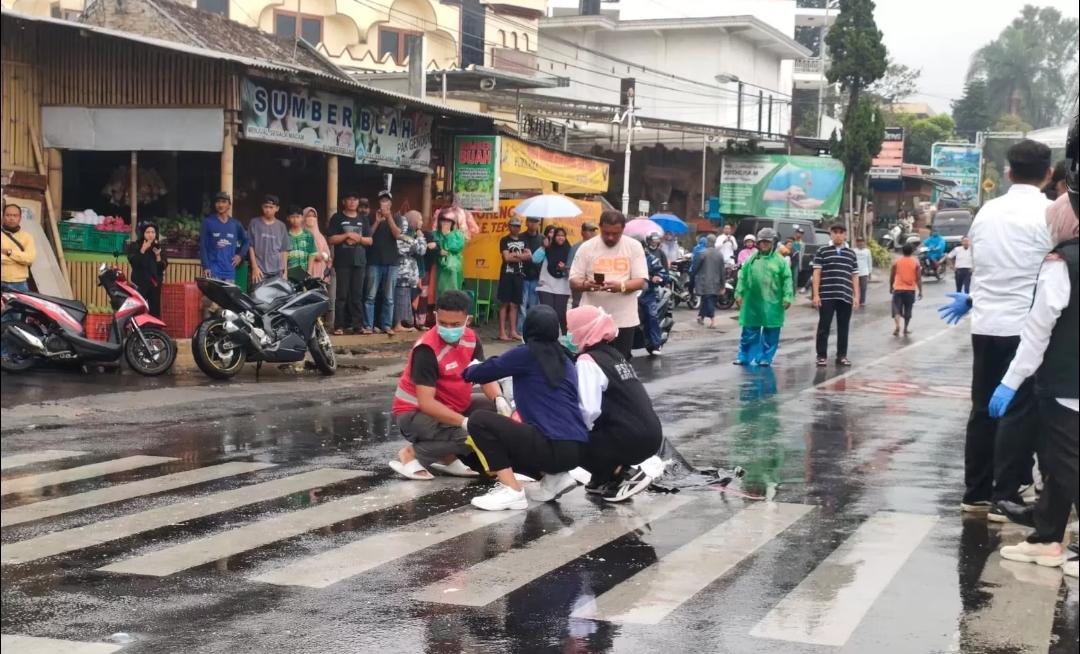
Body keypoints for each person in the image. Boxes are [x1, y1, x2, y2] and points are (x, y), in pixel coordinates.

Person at [950, 139, 1054, 518]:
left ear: (1008, 172)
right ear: (1047, 174)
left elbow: (980, 263)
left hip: (986, 324)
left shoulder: (986, 212)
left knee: (982, 408)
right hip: (1028, 327)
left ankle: (975, 492)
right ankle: (1005, 494)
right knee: (1019, 411)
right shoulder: (1050, 212)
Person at [990, 191, 1078, 578]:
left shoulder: (1062, 262)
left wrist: (1010, 381)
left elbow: (1038, 330)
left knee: (1067, 462)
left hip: (1065, 381)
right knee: (1060, 466)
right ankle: (1046, 537)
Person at [462, 305, 590, 510]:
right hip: (576, 450)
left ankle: (511, 490)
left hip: (551, 446)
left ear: (528, 329)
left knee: (479, 421)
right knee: (520, 427)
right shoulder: (566, 358)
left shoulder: (527, 354)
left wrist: (468, 369)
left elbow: (485, 371)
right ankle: (555, 479)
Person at [390, 290, 504, 481]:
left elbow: (483, 375)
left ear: (468, 320)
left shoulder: (471, 339)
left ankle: (446, 456)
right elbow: (426, 403)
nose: (448, 329)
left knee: (497, 414)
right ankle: (413, 454)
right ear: (435, 316)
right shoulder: (426, 349)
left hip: (451, 405)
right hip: (414, 414)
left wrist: (499, 398)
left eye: (455, 324)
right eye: (443, 323)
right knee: (477, 434)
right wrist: (464, 422)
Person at [566, 305, 662, 502]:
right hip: (651, 435)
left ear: (583, 330)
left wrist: (576, 436)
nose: (568, 334)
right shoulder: (615, 355)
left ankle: (622, 473)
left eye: (570, 329)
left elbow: (587, 409)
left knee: (567, 438)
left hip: (630, 439)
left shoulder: (588, 360)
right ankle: (603, 477)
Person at [568, 210, 648, 359]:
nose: (610, 237)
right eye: (606, 233)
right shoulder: (587, 247)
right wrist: (587, 284)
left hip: (624, 320)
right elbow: (573, 280)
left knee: (620, 364)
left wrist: (621, 286)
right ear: (600, 227)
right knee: (591, 363)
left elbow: (641, 281)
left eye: (615, 234)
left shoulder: (634, 246)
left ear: (623, 229)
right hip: (592, 321)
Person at [734, 227, 792, 367]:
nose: (764, 244)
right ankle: (745, 356)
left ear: (773, 243)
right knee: (749, 330)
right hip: (752, 301)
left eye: (767, 242)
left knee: (771, 331)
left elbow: (787, 279)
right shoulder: (752, 259)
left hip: (773, 302)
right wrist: (738, 293)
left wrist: (787, 296)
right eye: (762, 242)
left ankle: (765, 357)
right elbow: (743, 276)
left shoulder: (780, 261)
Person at [812, 223, 860, 367]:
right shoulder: (822, 251)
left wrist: (856, 296)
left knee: (843, 327)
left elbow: (855, 275)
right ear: (831, 234)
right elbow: (817, 273)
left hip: (845, 295)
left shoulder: (851, 253)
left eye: (841, 232)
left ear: (845, 235)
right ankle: (821, 355)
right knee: (824, 326)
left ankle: (842, 356)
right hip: (827, 295)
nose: (838, 235)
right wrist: (815, 295)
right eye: (835, 232)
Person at [327, 192, 373, 335]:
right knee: (342, 295)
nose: (352, 202)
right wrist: (346, 235)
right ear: (344, 201)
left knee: (357, 295)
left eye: (355, 199)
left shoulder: (363, 219)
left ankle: (358, 325)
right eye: (349, 199)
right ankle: (339, 326)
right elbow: (331, 239)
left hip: (359, 262)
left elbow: (370, 240)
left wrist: (358, 238)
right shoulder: (337, 218)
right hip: (342, 262)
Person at [364, 190, 403, 335]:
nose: (384, 203)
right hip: (374, 261)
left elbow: (398, 234)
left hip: (392, 262)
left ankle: (387, 325)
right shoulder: (369, 216)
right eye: (382, 201)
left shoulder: (397, 217)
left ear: (391, 203)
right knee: (370, 296)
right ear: (378, 203)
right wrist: (377, 221)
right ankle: (368, 325)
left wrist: (389, 218)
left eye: (387, 201)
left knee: (389, 297)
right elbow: (367, 236)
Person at [198, 192, 248, 283]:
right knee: (213, 297)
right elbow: (203, 246)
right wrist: (206, 266)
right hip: (213, 271)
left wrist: (240, 256)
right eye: (218, 202)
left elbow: (246, 241)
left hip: (230, 271)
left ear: (229, 205)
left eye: (224, 202)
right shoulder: (208, 222)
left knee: (227, 297)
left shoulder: (235, 224)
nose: (220, 205)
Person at [393, 210, 427, 332]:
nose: (421, 222)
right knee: (401, 296)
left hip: (407, 271)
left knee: (405, 295)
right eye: (420, 219)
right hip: (403, 271)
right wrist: (420, 236)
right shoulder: (405, 235)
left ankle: (404, 322)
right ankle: (398, 324)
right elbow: (422, 249)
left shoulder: (409, 234)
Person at [126, 223, 167, 317]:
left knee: (155, 311)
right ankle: (137, 330)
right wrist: (143, 249)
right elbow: (134, 262)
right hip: (139, 284)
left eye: (153, 232)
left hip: (154, 284)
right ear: (142, 233)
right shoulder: (135, 246)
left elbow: (161, 267)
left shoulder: (158, 247)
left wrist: (158, 256)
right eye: (148, 232)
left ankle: (154, 331)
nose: (150, 234)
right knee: (138, 310)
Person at [248, 194, 289, 290]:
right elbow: (250, 246)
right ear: (262, 207)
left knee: (276, 299)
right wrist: (254, 267)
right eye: (266, 207)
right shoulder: (254, 223)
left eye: (271, 207)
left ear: (277, 208)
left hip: (277, 271)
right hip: (259, 271)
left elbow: (284, 250)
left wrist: (285, 272)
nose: (268, 210)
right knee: (257, 299)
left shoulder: (281, 226)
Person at [497, 216, 528, 340]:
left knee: (515, 304)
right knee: (504, 303)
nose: (516, 228)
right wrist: (520, 255)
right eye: (514, 225)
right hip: (507, 274)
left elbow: (529, 256)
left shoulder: (523, 240)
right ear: (509, 226)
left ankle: (513, 331)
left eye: (518, 226)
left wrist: (514, 254)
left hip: (519, 274)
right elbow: (507, 258)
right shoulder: (504, 240)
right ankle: (502, 332)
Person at [537, 226, 572, 332]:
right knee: (547, 313)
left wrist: (565, 268)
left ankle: (565, 337)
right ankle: (546, 336)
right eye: (558, 235)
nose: (560, 238)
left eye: (563, 236)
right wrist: (544, 247)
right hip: (546, 285)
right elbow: (535, 259)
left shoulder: (569, 251)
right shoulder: (547, 248)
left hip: (562, 286)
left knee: (560, 314)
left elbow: (573, 270)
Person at [640, 232, 670, 355]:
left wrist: (657, 277)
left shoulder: (651, 258)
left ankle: (656, 344)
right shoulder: (625, 260)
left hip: (647, 293)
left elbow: (663, 272)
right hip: (628, 294)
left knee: (652, 316)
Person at [517, 216, 545, 334]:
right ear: (526, 223)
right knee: (522, 305)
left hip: (536, 277)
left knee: (533, 306)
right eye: (531, 221)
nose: (533, 224)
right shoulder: (520, 237)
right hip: (522, 275)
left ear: (539, 223)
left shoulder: (542, 238)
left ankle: (531, 329)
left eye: (536, 221)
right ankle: (520, 329)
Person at [889, 243, 922, 336]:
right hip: (910, 290)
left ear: (902, 251)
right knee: (908, 309)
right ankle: (905, 328)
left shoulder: (897, 261)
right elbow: (918, 278)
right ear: (912, 251)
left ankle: (897, 325)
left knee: (896, 308)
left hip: (898, 289)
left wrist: (891, 286)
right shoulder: (916, 262)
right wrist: (920, 291)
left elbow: (892, 276)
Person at [1, 203, 35, 292]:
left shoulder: (27, 237)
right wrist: (19, 259)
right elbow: (24, 258)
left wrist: (9, 252)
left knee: (19, 306)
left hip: (20, 284)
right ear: (3, 217)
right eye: (8, 215)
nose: (11, 218)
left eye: (15, 215)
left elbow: (29, 259)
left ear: (20, 218)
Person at [433, 207, 465, 297]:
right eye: (443, 221)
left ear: (453, 223)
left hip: (453, 268)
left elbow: (455, 247)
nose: (445, 223)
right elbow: (434, 248)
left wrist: (447, 235)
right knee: (440, 292)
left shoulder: (457, 234)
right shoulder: (436, 234)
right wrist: (439, 251)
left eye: (448, 221)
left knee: (453, 292)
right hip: (439, 268)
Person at [694, 234, 725, 327]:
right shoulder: (719, 254)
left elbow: (696, 267)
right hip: (716, 282)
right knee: (707, 299)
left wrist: (693, 276)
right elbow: (722, 271)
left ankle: (713, 321)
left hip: (704, 282)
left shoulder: (703, 253)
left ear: (707, 241)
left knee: (708, 301)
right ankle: (701, 317)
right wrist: (723, 285)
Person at [568, 221, 597, 308]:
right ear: (582, 232)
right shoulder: (576, 247)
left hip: (595, 286)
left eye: (594, 231)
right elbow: (569, 268)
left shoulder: (598, 246)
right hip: (580, 286)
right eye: (590, 230)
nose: (593, 233)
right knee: (578, 308)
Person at [285, 207, 318, 274]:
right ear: (288, 218)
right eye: (292, 217)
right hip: (289, 272)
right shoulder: (285, 235)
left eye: (298, 217)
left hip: (304, 271)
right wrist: (285, 272)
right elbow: (283, 255)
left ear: (302, 218)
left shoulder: (308, 235)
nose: (295, 220)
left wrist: (309, 271)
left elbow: (312, 253)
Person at [302, 207, 331, 279]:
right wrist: (315, 255)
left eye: (313, 216)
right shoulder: (300, 235)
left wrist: (323, 255)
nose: (311, 218)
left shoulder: (320, 236)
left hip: (320, 271)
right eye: (308, 216)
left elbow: (327, 253)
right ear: (303, 218)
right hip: (305, 270)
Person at [853, 236, 872, 307]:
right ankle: (856, 300)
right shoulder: (854, 251)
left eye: (861, 241)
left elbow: (869, 261)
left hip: (864, 272)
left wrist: (870, 272)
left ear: (864, 242)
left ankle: (862, 301)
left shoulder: (867, 251)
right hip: (856, 272)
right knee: (856, 288)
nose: (860, 243)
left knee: (863, 288)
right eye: (858, 242)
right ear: (856, 243)